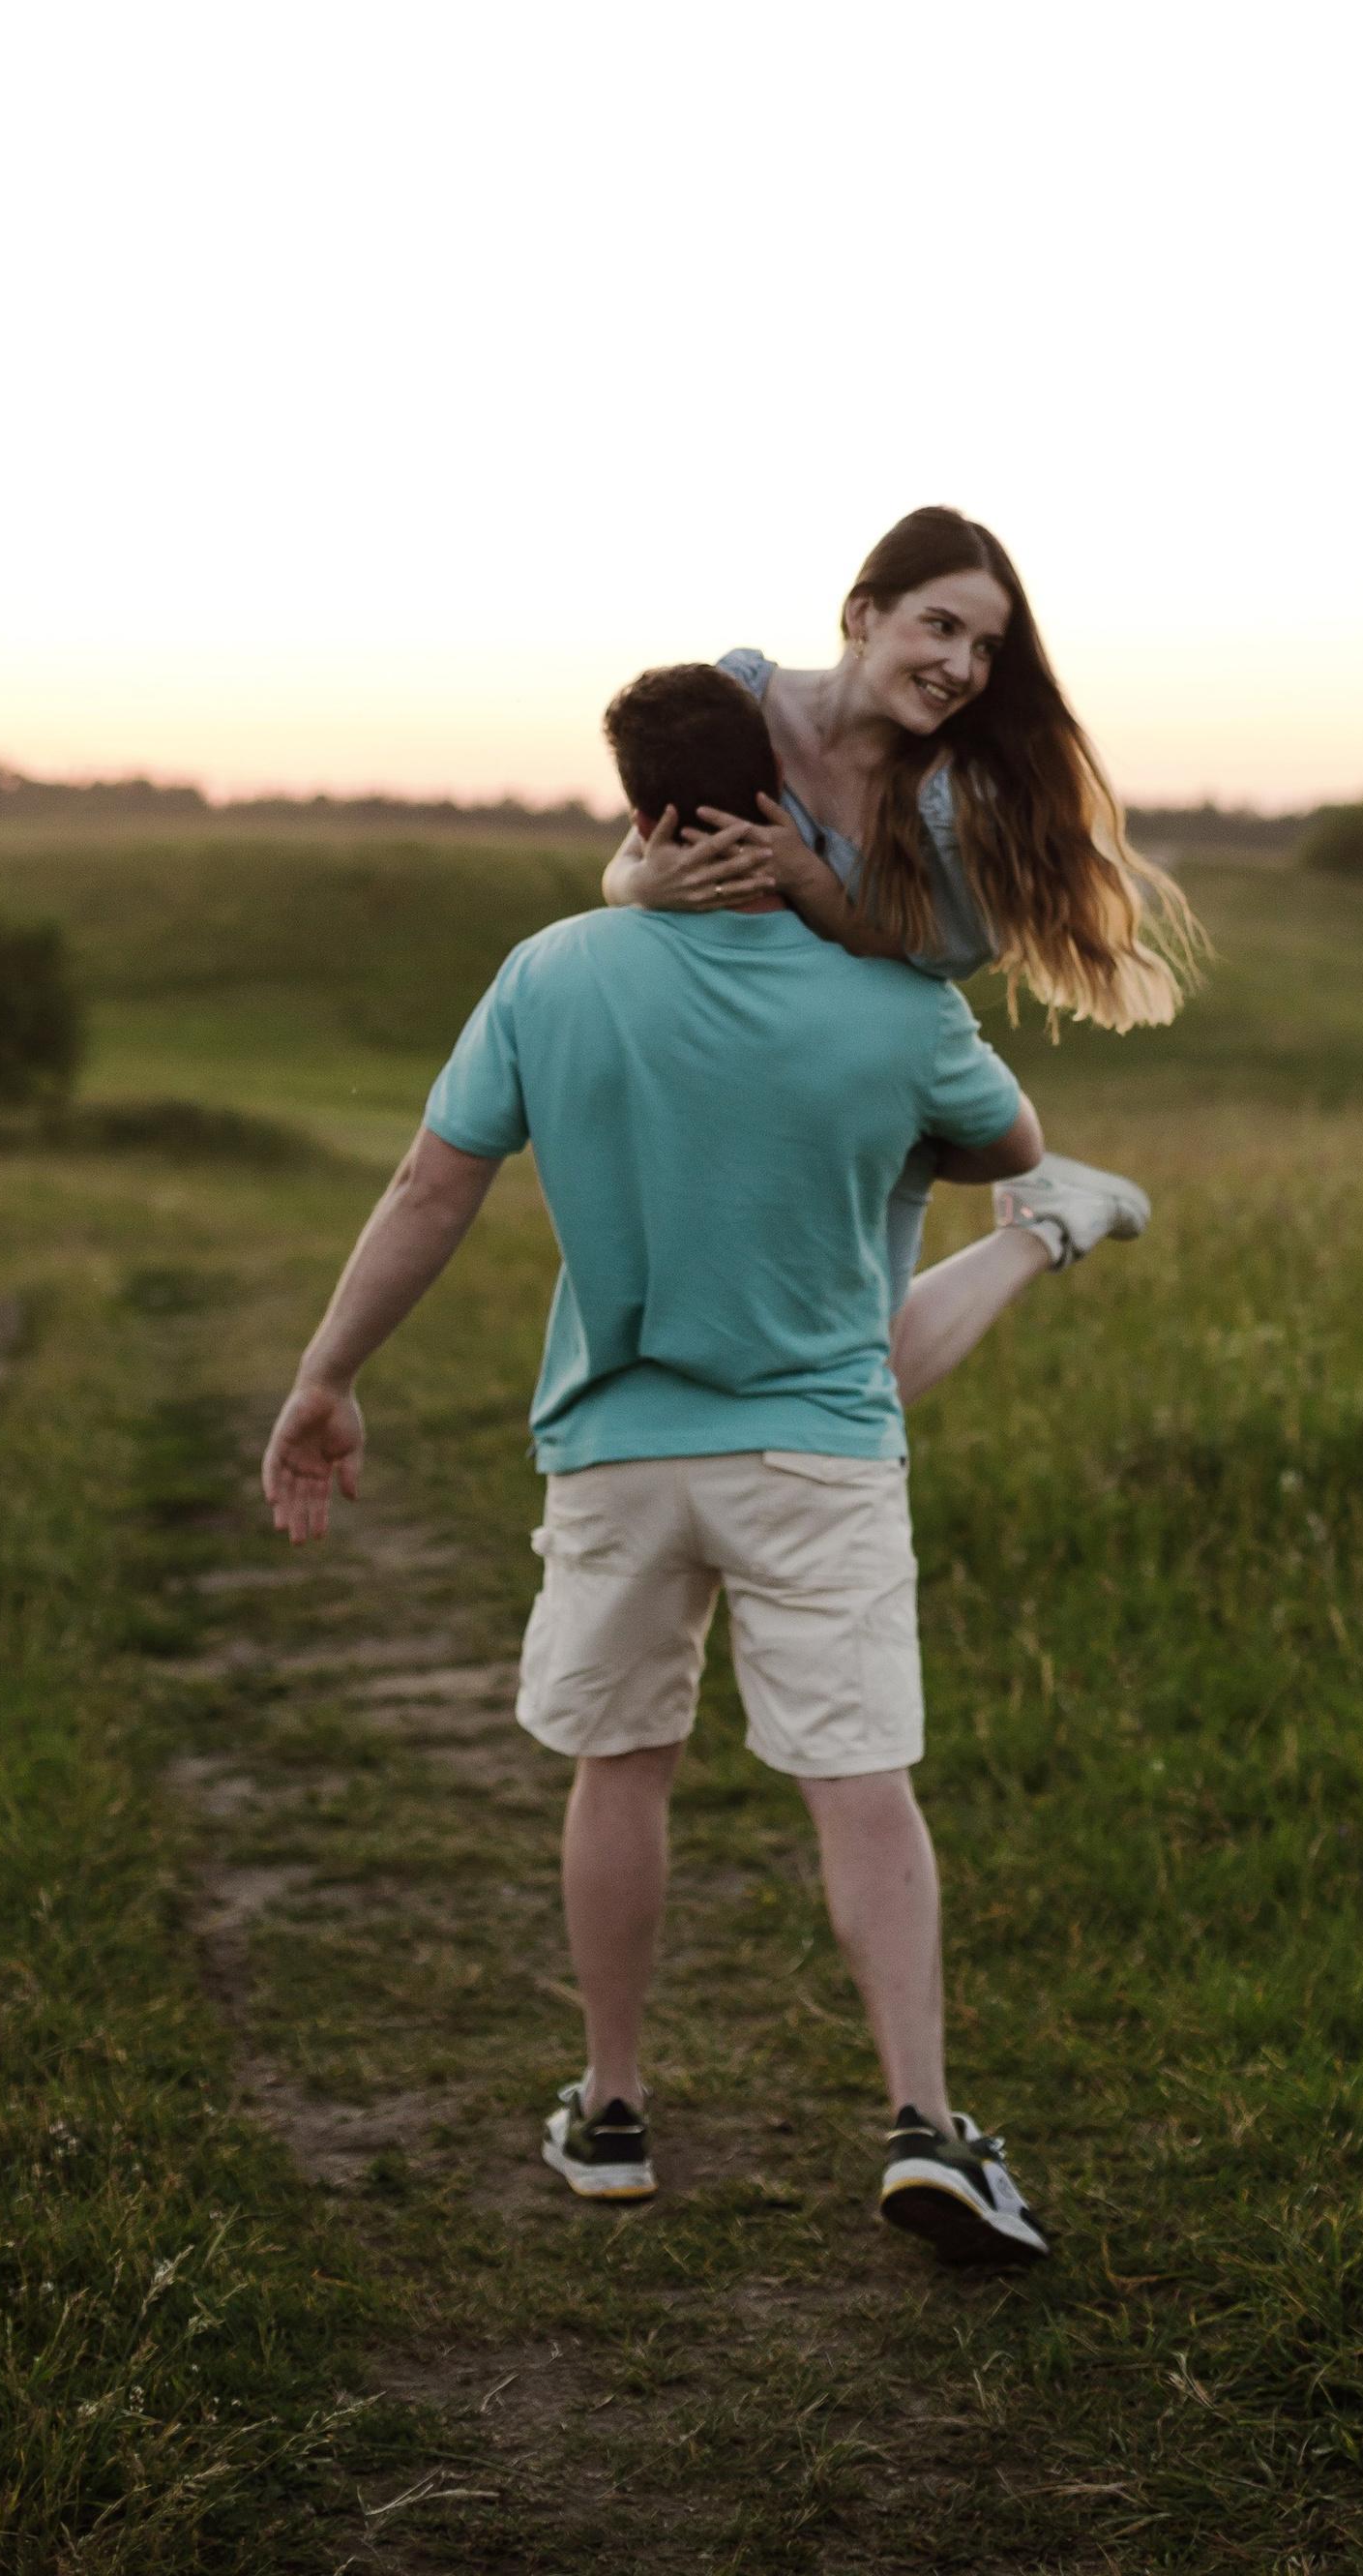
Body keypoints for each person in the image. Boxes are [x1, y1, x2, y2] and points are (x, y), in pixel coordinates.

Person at [260, 659, 1060, 2264]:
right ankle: (923, 2124)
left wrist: (325, 1375)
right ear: (781, 801)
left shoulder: (551, 975)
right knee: (862, 1791)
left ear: (640, 814)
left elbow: (431, 1189)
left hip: (619, 1453)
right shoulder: (899, 999)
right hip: (818, 1452)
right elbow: (1016, 1148)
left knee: (620, 1769)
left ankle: (614, 2113)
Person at [602, 504, 1202, 1369]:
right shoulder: (741, 698)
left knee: (856, 1359)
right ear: (862, 615)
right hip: (739, 1048)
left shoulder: (953, 799)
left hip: (866, 1063)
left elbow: (927, 962)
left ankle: (1044, 1227)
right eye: (943, 627)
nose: (962, 668)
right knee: (762, 1332)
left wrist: (814, 886)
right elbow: (626, 865)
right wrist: (643, 885)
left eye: (987, 649)